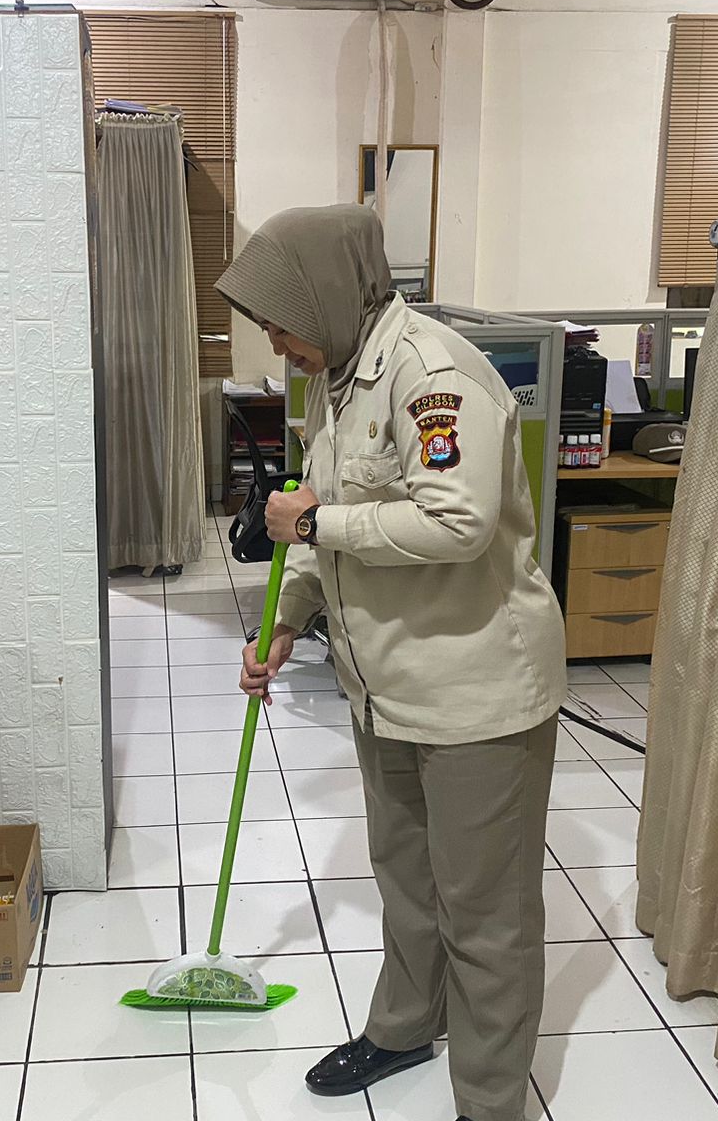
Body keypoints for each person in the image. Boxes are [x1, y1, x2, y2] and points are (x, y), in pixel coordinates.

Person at [217, 205, 567, 1121]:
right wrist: (285, 620)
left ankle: (489, 1101)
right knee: (407, 880)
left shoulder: (433, 376)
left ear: (327, 296)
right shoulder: (335, 379)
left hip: (476, 694)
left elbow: (458, 523)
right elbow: (321, 519)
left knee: (485, 914)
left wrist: (315, 522)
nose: (276, 343)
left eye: (281, 322)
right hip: (387, 689)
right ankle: (407, 1025)